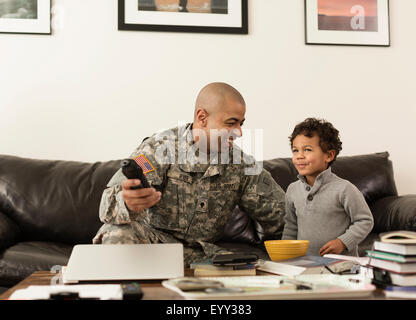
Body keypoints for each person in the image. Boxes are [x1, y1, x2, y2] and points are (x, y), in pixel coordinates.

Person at [93, 82, 286, 266]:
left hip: (204, 256)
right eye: (231, 123)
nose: (239, 132)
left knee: (248, 265)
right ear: (202, 117)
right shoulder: (160, 149)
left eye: (241, 123)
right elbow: (107, 206)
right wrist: (127, 203)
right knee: (116, 232)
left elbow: (285, 216)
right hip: (155, 247)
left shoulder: (242, 165)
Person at [281, 118, 374, 256]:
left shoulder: (344, 189)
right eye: (295, 150)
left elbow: (365, 220)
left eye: (307, 149)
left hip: (341, 267)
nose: (299, 156)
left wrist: (342, 242)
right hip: (304, 265)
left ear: (329, 155)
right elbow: (290, 227)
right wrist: (285, 257)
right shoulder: (293, 190)